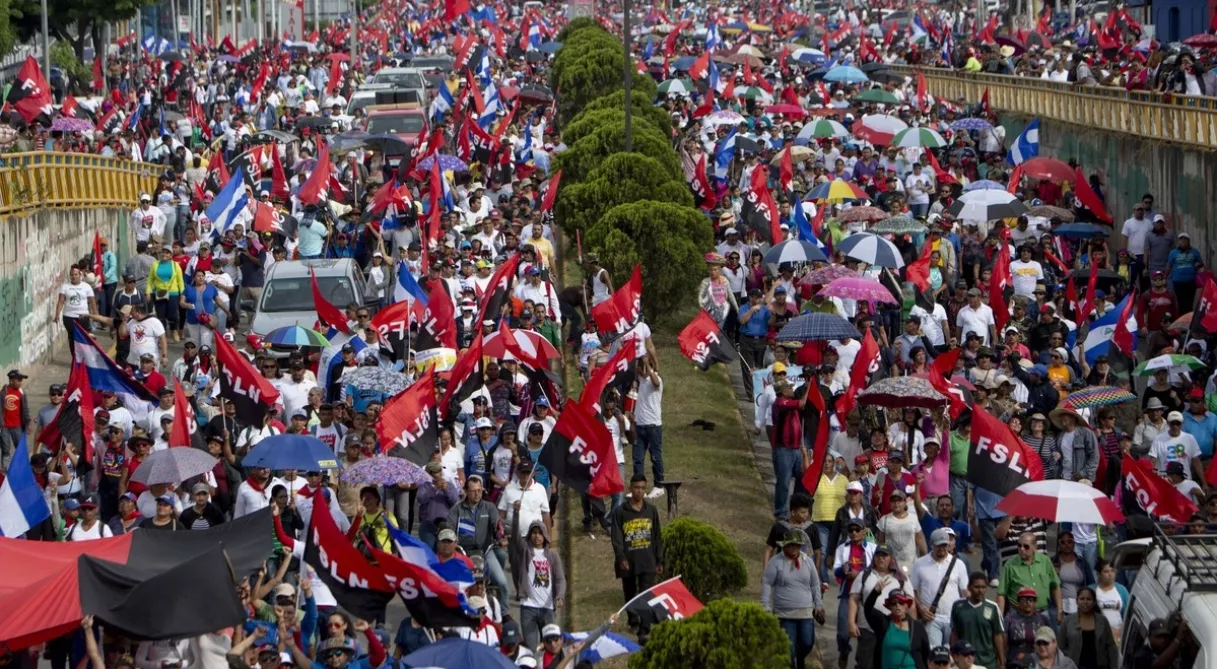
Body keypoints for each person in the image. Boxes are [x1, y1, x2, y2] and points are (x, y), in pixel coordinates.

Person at [761, 530, 826, 669]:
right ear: (785, 546)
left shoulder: (808, 561)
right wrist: (765, 606)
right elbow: (767, 582)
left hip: (806, 611)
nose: (794, 548)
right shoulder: (776, 562)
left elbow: (815, 584)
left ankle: (800, 657)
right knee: (789, 647)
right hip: (784, 613)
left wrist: (818, 605)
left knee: (807, 642)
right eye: (791, 545)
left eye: (797, 545)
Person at [610, 474, 665, 637]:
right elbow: (617, 537)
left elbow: (657, 536)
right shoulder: (621, 512)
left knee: (646, 593)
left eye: (642, 488)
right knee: (630, 592)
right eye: (636, 487)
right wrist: (621, 557)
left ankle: (645, 627)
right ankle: (633, 620)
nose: (639, 491)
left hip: (647, 560)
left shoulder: (651, 511)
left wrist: (659, 559)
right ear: (630, 488)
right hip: (629, 560)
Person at [510, 499, 566, 650]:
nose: (537, 536)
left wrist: (559, 596)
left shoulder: (553, 557)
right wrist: (516, 513)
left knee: (551, 648)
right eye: (534, 533)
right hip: (528, 607)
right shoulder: (525, 552)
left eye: (540, 533)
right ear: (529, 535)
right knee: (531, 648)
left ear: (545, 536)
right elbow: (515, 537)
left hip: (548, 609)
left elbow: (560, 579)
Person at [848, 544, 913, 669]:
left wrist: (911, 627)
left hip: (893, 630)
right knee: (865, 664)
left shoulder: (900, 578)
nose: (881, 558)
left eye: (885, 555)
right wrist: (851, 623)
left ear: (891, 558)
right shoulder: (864, 575)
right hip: (867, 629)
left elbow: (911, 602)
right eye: (878, 555)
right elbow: (853, 599)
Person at [910, 528, 970, 648]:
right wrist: (921, 608)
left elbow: (965, 592)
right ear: (931, 544)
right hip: (931, 618)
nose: (942, 548)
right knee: (934, 654)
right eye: (938, 545)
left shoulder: (959, 564)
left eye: (944, 545)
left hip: (952, 618)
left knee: (953, 654)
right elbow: (912, 590)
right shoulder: (920, 563)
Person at [998, 532, 1063, 624]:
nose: (1022, 549)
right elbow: (1001, 593)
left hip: (1043, 614)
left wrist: (1059, 610)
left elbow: (1055, 586)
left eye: (1026, 546)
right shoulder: (1010, 564)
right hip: (1018, 615)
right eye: (1019, 545)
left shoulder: (1045, 561)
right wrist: (999, 618)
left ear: (1035, 547)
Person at [950, 571, 1007, 669]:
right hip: (965, 662)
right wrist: (954, 657)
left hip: (988, 662)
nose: (980, 590)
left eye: (983, 587)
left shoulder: (993, 607)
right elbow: (954, 633)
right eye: (977, 587)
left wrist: (1002, 663)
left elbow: (998, 635)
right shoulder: (958, 606)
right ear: (969, 587)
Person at [863, 589, 931, 669]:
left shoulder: (917, 627)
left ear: (906, 605)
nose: (897, 605)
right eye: (894, 603)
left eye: (901, 602)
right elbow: (867, 608)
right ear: (889, 606)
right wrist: (875, 592)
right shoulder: (883, 623)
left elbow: (925, 653)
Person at [1058, 587, 1118, 669]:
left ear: (1094, 602)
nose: (1085, 602)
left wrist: (1114, 666)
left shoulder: (1102, 621)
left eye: (1089, 599)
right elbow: (1060, 647)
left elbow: (1111, 646)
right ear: (1076, 601)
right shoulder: (1068, 621)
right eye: (1082, 599)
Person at [633, 357, 665, 499]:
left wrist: (648, 366)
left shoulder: (655, 380)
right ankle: (638, 487)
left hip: (653, 426)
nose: (638, 370)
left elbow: (656, 383)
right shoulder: (640, 381)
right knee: (638, 459)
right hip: (640, 426)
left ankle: (659, 485)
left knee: (655, 457)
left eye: (640, 368)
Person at [877, 487, 926, 574]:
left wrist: (925, 560)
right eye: (893, 501)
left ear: (905, 502)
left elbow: (920, 540)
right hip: (891, 565)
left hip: (911, 564)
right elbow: (880, 543)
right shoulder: (884, 519)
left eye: (899, 501)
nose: (896, 503)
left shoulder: (913, 518)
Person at [1004, 587, 1053, 665]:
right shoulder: (1010, 619)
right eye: (1024, 600)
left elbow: (1051, 643)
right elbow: (1003, 644)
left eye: (1031, 600)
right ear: (1018, 601)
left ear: (1035, 602)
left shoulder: (1043, 619)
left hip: (1038, 662)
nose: (1028, 602)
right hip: (1014, 662)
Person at [1092, 560, 1128, 646]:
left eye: (1112, 571)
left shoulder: (1121, 590)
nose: (1110, 574)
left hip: (1119, 634)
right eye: (1106, 571)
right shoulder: (1092, 590)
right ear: (1098, 574)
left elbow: (1128, 612)